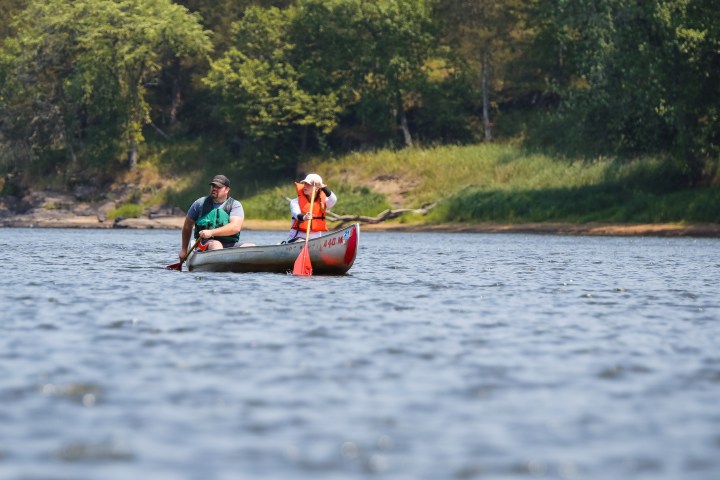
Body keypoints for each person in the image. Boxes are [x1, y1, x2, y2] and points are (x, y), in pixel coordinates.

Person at [179, 174, 252, 261]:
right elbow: (187, 226)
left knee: (251, 247)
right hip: (204, 245)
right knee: (216, 245)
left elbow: (235, 227)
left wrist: (211, 232)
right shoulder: (199, 204)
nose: (214, 188)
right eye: (213, 186)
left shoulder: (235, 205)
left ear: (227, 190)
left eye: (218, 187)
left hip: (229, 245)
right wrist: (184, 250)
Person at [284, 173, 337, 243]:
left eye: (308, 184)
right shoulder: (295, 202)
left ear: (317, 188)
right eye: (305, 183)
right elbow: (296, 214)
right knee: (300, 242)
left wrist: (323, 187)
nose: (305, 186)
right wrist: (304, 217)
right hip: (296, 239)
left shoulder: (323, 202)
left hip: (316, 240)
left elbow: (333, 199)